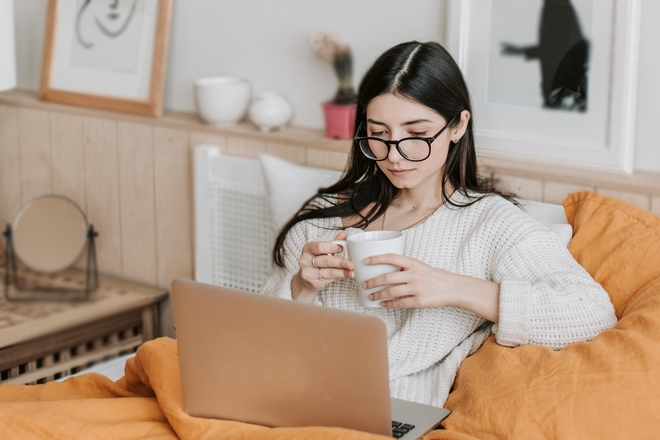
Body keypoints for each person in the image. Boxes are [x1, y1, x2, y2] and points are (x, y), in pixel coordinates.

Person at [260, 41, 616, 407]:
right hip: (293, 397)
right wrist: (301, 288)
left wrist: (452, 288)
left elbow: (591, 312)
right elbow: (259, 341)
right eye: (380, 134)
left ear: (458, 126)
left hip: (390, 412)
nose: (395, 155)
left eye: (416, 135)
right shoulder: (320, 223)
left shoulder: (490, 225)